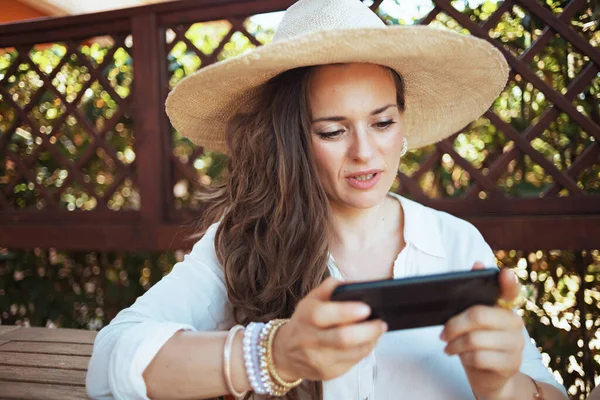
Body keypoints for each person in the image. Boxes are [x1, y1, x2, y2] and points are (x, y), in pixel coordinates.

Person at [85, 0, 569, 399]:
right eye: (333, 130)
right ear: (292, 139)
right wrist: (274, 354)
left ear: (403, 124)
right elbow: (110, 363)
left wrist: (503, 386)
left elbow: (546, 391)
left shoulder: (457, 244)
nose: (365, 152)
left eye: (382, 123)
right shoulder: (239, 243)